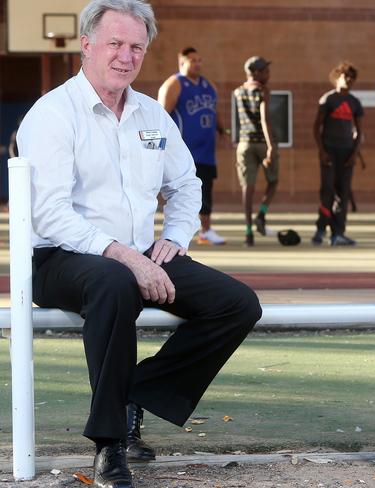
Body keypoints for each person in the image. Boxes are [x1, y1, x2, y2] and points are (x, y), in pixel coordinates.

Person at [17, 2, 261, 487]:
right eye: (115, 44)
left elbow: (187, 185)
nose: (126, 56)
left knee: (237, 304)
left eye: (137, 47)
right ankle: (111, 445)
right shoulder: (52, 114)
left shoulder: (151, 113)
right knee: (114, 283)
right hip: (62, 258)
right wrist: (123, 254)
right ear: (86, 45)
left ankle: (134, 393)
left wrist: (173, 238)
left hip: (140, 254)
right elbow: (49, 212)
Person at [158, 46, 227, 245]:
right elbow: (160, 117)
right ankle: (175, 232)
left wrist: (224, 131)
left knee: (206, 190)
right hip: (184, 151)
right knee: (180, 192)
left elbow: (215, 112)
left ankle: (205, 230)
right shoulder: (174, 84)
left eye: (199, 60)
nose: (197, 64)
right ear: (182, 63)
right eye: (193, 60)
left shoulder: (208, 86)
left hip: (206, 150)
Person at [311, 61, 364, 246]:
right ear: (337, 77)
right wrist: (322, 151)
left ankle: (338, 233)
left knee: (343, 193)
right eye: (345, 76)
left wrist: (354, 153)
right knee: (327, 191)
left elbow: (359, 131)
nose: (348, 80)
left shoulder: (354, 103)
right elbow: (316, 127)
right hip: (329, 151)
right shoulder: (328, 99)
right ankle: (320, 229)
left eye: (352, 78)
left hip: (346, 152)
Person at [233, 56, 278, 247]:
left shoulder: (238, 92)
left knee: (247, 188)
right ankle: (261, 214)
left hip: (244, 144)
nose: (268, 74)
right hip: (261, 142)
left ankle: (248, 232)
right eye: (265, 71)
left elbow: (239, 119)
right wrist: (271, 147)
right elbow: (265, 119)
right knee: (273, 181)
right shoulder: (263, 91)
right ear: (257, 73)